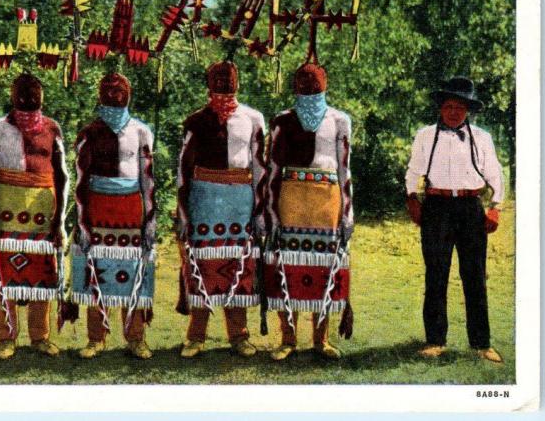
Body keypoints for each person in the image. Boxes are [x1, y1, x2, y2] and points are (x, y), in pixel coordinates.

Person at [405, 76, 504, 363]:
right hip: (436, 207)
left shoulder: (482, 138)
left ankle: (481, 343)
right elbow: (413, 171)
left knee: (474, 275)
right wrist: (413, 198)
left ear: (468, 110)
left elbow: (495, 175)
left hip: (471, 207)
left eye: (459, 107)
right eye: (448, 106)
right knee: (436, 273)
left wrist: (495, 206)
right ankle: (435, 340)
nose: (453, 112)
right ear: (440, 108)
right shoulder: (425, 136)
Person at [263, 62, 353, 361]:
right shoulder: (282, 121)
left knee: (325, 266)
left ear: (325, 82)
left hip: (327, 200)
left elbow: (344, 168)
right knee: (287, 266)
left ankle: (321, 338)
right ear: (294, 84)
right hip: (291, 198)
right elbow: (273, 168)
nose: (309, 84)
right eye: (302, 79)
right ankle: (288, 339)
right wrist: (271, 212)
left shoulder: (340, 120)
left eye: (314, 79)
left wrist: (347, 211)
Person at [176, 61, 266, 358]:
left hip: (240, 202)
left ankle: (239, 336)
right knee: (201, 266)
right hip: (204, 201)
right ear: (209, 82)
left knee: (238, 267)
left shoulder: (253, 119)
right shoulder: (195, 121)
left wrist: (260, 209)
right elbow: (183, 169)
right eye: (218, 79)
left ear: (238, 81)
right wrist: (183, 211)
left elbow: (260, 167)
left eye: (229, 79)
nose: (224, 83)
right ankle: (196, 336)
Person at [0, 73, 68, 360]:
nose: (29, 99)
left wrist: (61, 221)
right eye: (23, 93)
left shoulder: (53, 128)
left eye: (34, 93)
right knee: (5, 274)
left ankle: (40, 336)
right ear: (12, 95)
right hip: (7, 212)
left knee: (42, 275)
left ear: (42, 95)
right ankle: (6, 338)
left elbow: (63, 175)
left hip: (43, 213)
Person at [69, 72, 156, 360]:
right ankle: (96, 338)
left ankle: (136, 337)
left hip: (131, 210)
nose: (115, 95)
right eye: (109, 90)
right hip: (98, 208)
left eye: (120, 90)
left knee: (134, 274)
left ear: (129, 93)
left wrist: (150, 219)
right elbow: (81, 180)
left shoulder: (141, 131)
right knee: (97, 270)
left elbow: (147, 180)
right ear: (99, 94)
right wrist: (82, 221)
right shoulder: (89, 133)